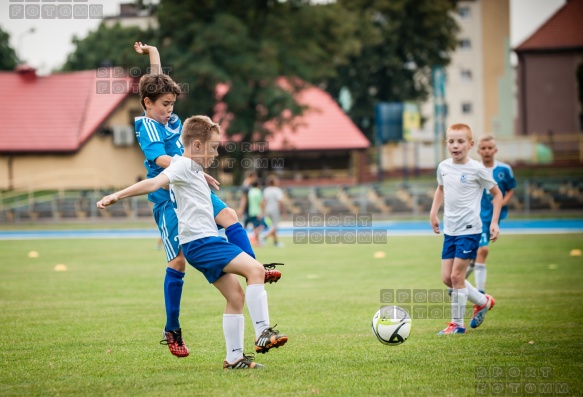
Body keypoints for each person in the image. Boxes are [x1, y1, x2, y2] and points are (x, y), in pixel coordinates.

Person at [97, 115, 288, 369]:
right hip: (203, 243)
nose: (216, 153)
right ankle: (263, 331)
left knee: (235, 296)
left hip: (199, 245)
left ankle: (234, 359)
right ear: (196, 146)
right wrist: (117, 195)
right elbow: (154, 182)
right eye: (212, 147)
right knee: (254, 269)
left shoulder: (193, 169)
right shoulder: (182, 165)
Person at [132, 42, 281, 358]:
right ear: (148, 103)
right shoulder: (146, 125)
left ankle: (255, 266)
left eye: (173, 104)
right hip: (167, 194)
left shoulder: (166, 116)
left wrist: (154, 54)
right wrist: (189, 169)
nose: (170, 109)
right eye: (164, 105)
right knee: (178, 262)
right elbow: (160, 160)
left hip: (188, 180)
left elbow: (156, 81)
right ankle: (172, 328)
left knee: (228, 214)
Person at [429, 123, 502, 335]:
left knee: (457, 277)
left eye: (460, 141)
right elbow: (441, 188)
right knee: (447, 278)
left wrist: (494, 223)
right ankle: (483, 301)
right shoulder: (443, 167)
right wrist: (434, 213)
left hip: (470, 230)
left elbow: (497, 194)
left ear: (470, 145)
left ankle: (457, 325)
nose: (455, 145)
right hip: (450, 230)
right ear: (446, 144)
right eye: (451, 141)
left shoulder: (477, 169)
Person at [469, 135, 516, 293]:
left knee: (475, 255)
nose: (487, 151)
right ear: (478, 151)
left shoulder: (504, 169)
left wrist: (500, 203)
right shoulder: (474, 169)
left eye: (490, 148)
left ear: (495, 150)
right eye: (483, 148)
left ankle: (457, 282)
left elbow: (510, 190)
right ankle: (480, 292)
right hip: (478, 217)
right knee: (483, 250)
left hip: (495, 217)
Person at [262, 175, 286, 247]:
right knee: (275, 227)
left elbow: (264, 201)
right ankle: (264, 238)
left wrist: (263, 211)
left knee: (272, 226)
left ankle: (275, 242)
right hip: (275, 210)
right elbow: (280, 202)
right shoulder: (277, 190)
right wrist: (283, 211)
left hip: (267, 210)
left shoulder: (266, 190)